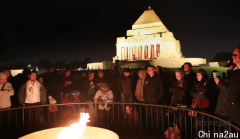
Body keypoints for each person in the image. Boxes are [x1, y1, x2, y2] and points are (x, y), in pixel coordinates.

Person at [214, 45, 240, 127]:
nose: (233, 56)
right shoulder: (235, 71)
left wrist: (220, 83)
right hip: (232, 112)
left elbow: (233, 90)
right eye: (233, 54)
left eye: (236, 54)